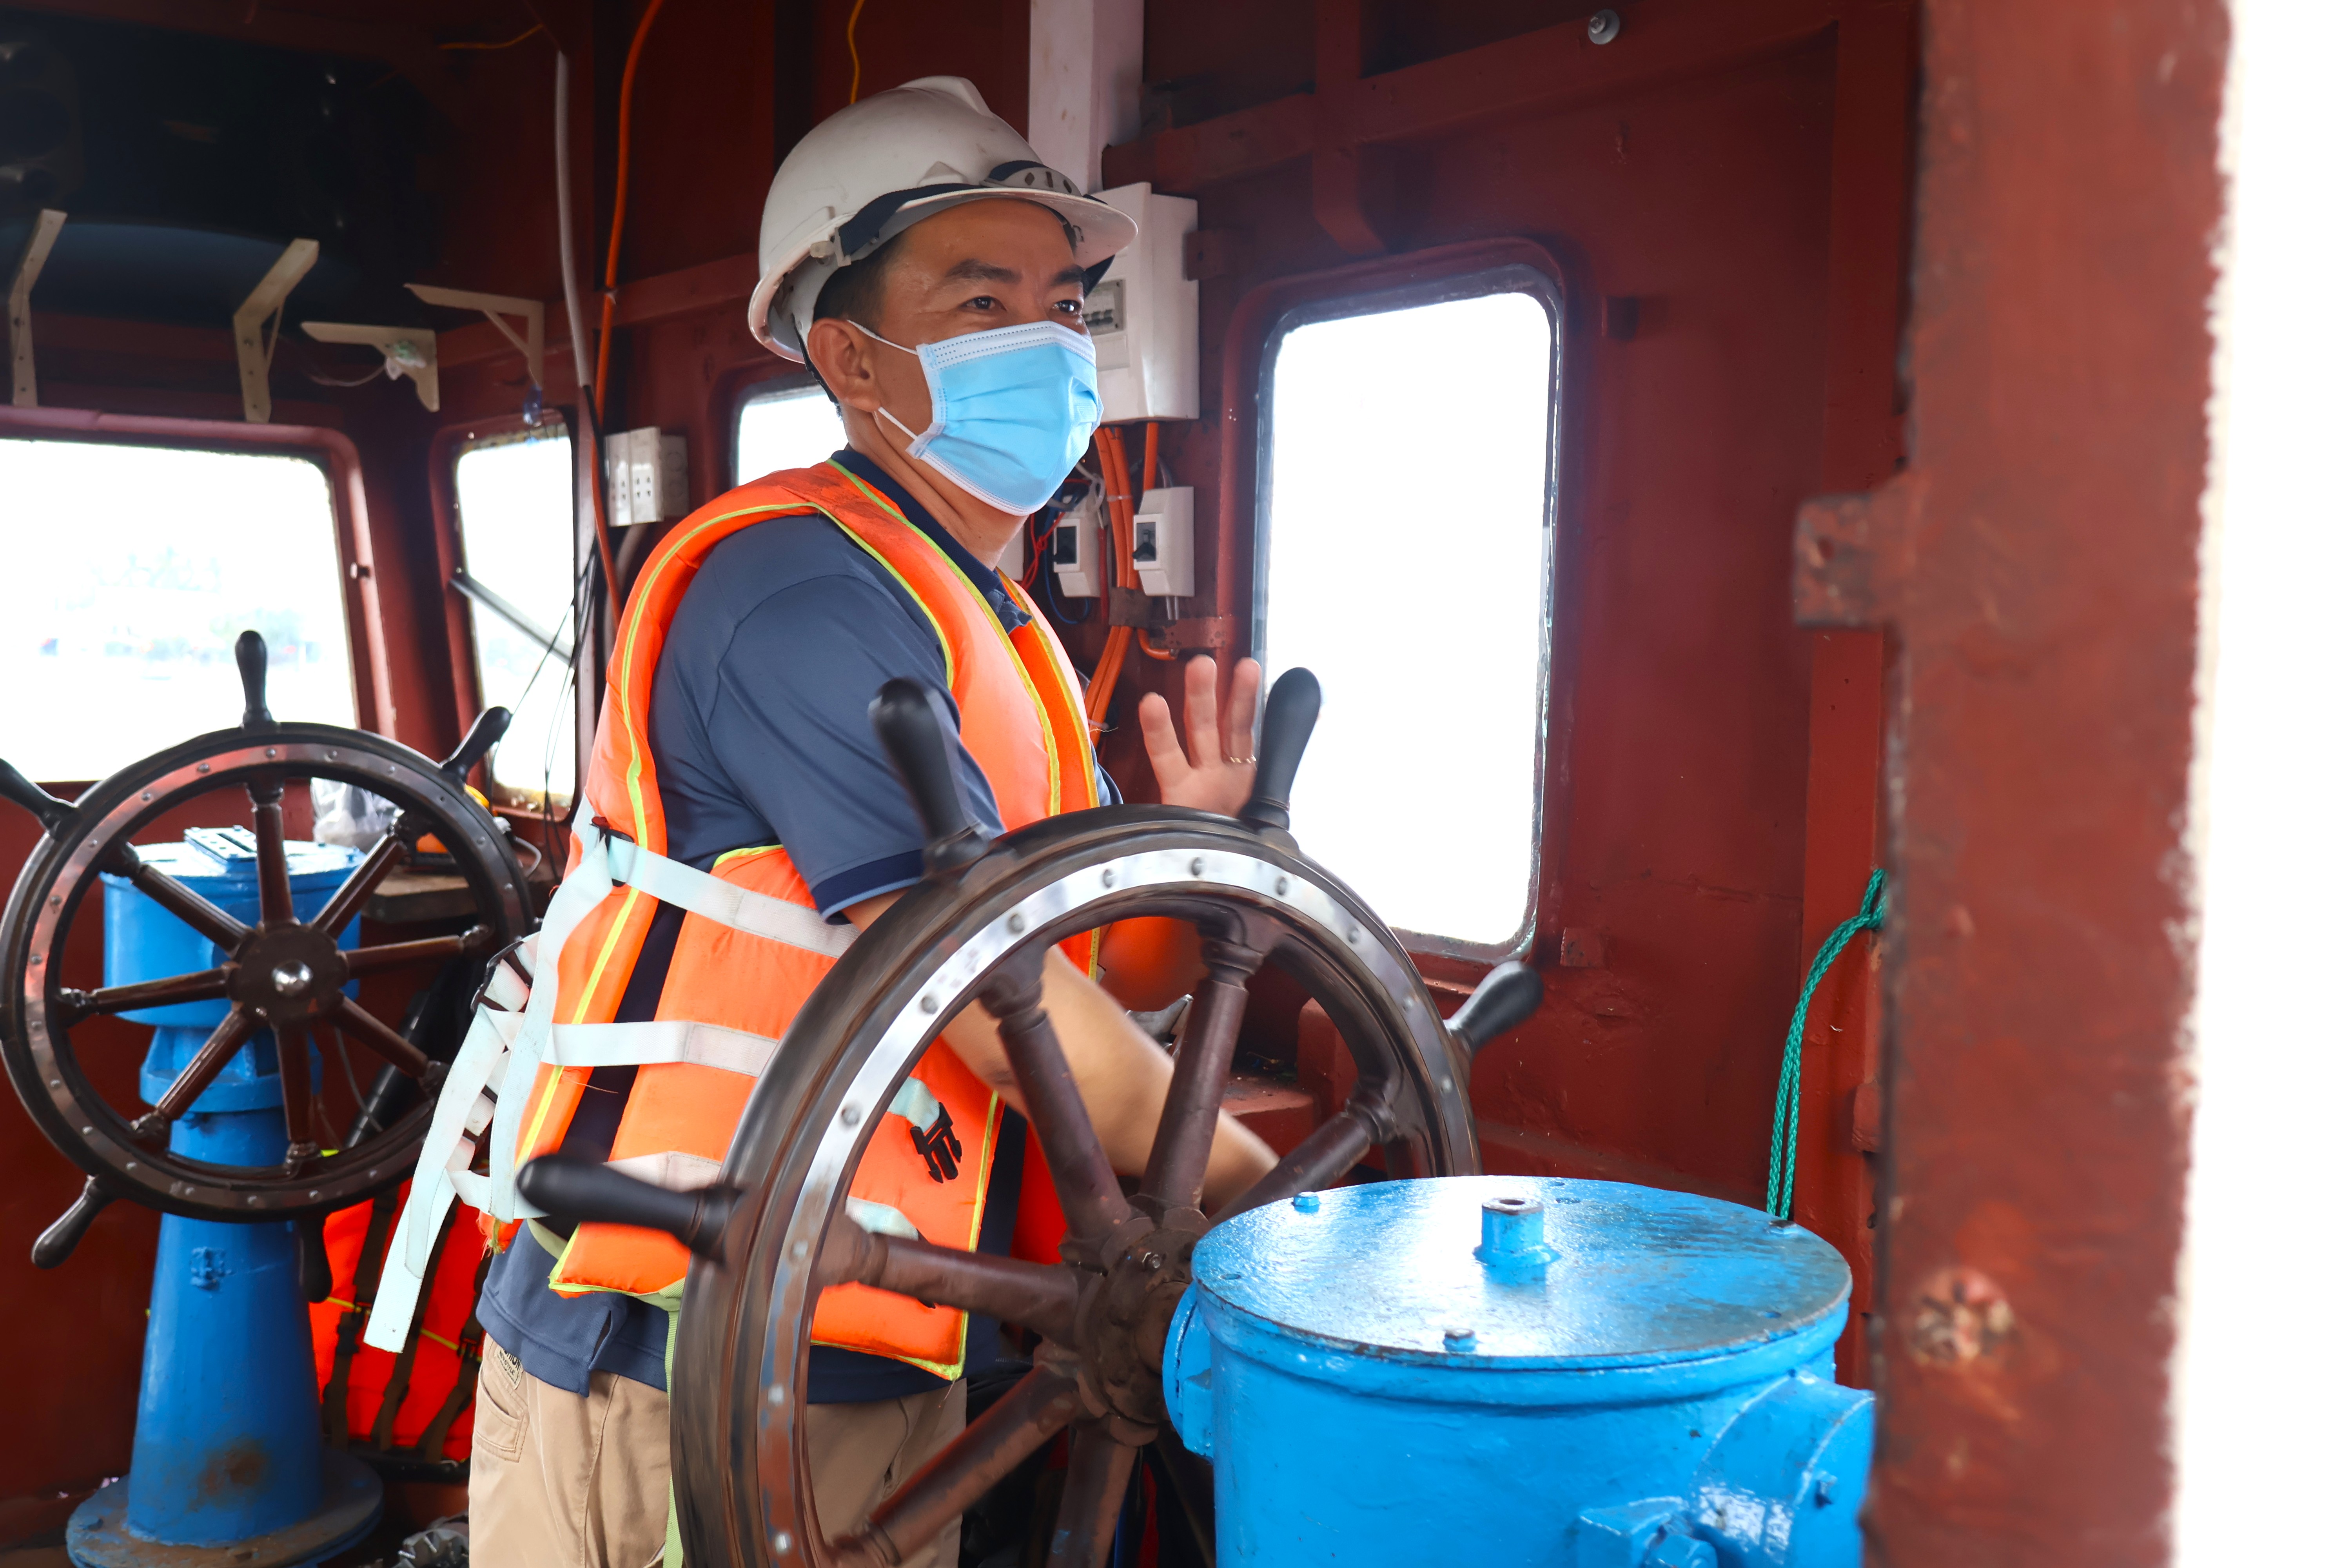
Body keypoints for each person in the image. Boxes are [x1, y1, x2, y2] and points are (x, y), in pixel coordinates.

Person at [365, 75, 1277, 1568]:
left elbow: (1104, 979)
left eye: (1064, 304)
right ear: (852, 358)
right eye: (982, 301)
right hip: (676, 1339)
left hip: (885, 1321)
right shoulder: (797, 593)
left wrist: (1198, 877)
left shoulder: (989, 623)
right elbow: (992, 997)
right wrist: (1276, 1213)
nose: (1048, 341)